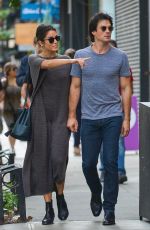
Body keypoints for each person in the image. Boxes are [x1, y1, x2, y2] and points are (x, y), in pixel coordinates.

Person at [67, 13, 132, 225]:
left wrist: (125, 118)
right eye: (103, 28)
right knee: (87, 164)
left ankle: (109, 208)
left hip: (113, 115)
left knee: (111, 162)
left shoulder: (120, 56)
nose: (107, 31)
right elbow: (75, 87)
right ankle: (96, 192)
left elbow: (125, 88)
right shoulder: (81, 56)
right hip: (89, 118)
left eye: (109, 28)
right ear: (93, 32)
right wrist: (71, 116)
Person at [22, 24, 88, 225]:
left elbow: (74, 88)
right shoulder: (34, 60)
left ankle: (60, 195)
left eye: (56, 38)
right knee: (42, 161)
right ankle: (48, 208)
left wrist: (72, 115)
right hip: (40, 116)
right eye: (50, 39)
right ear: (40, 42)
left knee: (59, 159)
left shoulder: (68, 61)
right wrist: (75, 59)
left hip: (61, 116)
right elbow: (48, 66)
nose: (55, 42)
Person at [99, 39, 133, 184]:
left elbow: (128, 88)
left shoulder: (123, 64)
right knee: (102, 142)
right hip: (100, 110)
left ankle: (120, 171)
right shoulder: (100, 66)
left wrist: (126, 115)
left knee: (118, 142)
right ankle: (104, 170)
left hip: (117, 109)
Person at [64, 48, 81, 156]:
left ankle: (67, 145)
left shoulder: (64, 68)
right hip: (77, 99)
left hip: (66, 100)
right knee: (77, 122)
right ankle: (76, 146)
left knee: (67, 123)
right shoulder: (78, 68)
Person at [1, 62, 21, 153]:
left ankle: (13, 147)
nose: (16, 71)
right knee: (11, 129)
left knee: (15, 130)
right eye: (14, 69)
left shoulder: (19, 81)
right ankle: (12, 148)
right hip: (7, 110)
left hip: (17, 109)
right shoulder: (3, 83)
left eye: (16, 69)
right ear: (8, 71)